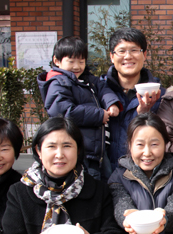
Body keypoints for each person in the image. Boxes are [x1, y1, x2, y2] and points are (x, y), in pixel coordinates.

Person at [0, 117, 124, 234]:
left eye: (67, 146)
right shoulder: (20, 192)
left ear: (78, 150)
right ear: (38, 151)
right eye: (51, 146)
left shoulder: (97, 190)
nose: (60, 154)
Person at [38, 36, 121, 180]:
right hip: (81, 151)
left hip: (97, 151)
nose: (77, 66)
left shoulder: (87, 79)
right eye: (71, 61)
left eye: (81, 61)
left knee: (108, 184)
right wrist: (99, 115)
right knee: (89, 184)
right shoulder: (58, 82)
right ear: (56, 61)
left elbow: (103, 88)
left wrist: (111, 103)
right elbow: (64, 112)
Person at [101, 27, 166, 171]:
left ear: (144, 54)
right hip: (102, 176)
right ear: (112, 56)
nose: (128, 56)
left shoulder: (160, 95)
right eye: (122, 51)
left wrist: (144, 114)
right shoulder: (98, 93)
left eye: (134, 50)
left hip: (141, 178)